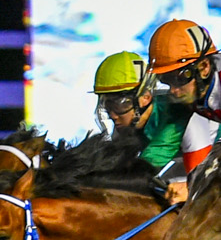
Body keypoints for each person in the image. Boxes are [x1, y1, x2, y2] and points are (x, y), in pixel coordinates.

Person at [93, 51, 189, 194]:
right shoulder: (127, 123)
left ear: (145, 97)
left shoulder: (174, 116)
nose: (113, 115)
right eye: (107, 105)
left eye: (120, 104)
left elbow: (144, 169)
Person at [151, 18, 221, 197]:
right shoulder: (198, 99)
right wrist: (194, 186)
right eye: (166, 80)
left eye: (180, 78)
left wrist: (192, 187)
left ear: (204, 67)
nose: (173, 90)